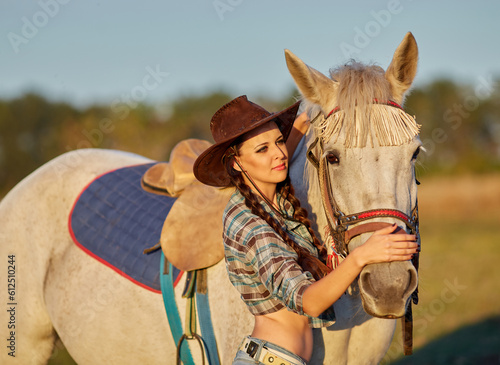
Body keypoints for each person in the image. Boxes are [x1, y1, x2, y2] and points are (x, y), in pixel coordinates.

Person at [193, 95, 418, 365]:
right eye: (262, 150)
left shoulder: (278, 201)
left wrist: (314, 110)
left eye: (278, 142)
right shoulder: (247, 222)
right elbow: (308, 302)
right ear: (236, 164)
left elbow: (291, 141)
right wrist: (362, 256)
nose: (278, 153)